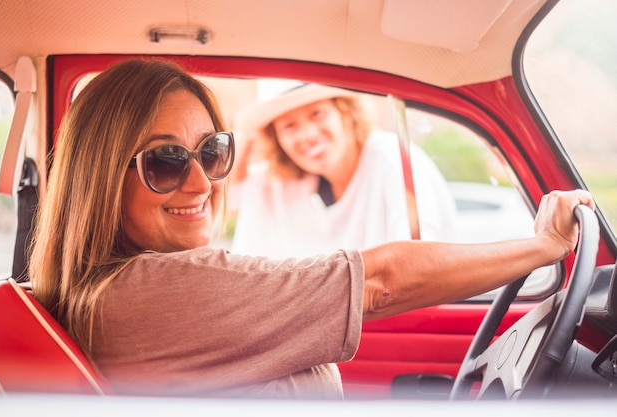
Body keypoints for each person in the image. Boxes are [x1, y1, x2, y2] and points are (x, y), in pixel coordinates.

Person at [29, 58, 595, 400]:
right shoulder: (155, 290)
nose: (201, 184)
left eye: (212, 152)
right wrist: (543, 245)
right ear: (100, 179)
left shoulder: (110, 288)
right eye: (165, 162)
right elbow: (381, 283)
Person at [229, 82, 458, 258]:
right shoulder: (284, 184)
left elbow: (422, 258)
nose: (307, 134)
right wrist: (250, 133)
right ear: (277, 140)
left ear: (345, 113)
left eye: (317, 113)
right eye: (289, 126)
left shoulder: (392, 160)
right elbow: (225, 193)